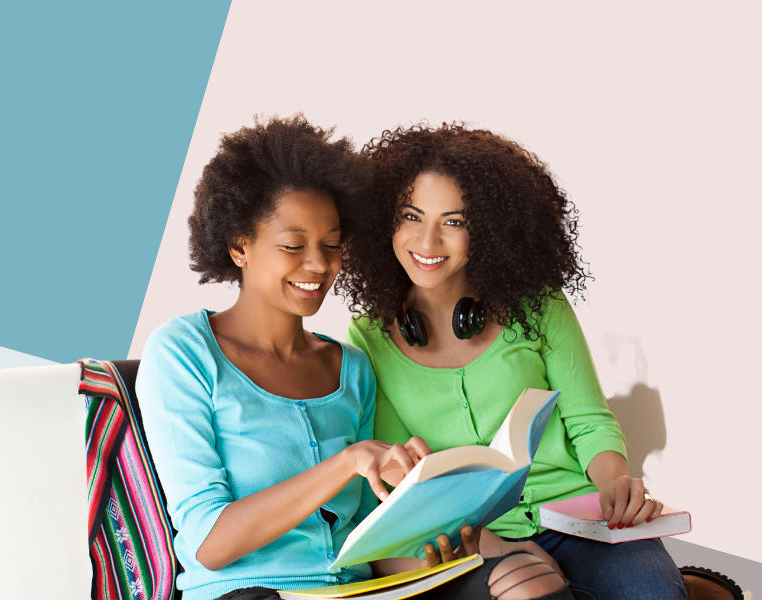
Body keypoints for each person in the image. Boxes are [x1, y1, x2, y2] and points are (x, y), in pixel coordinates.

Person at [136, 114, 571, 600]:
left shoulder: (351, 368)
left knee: (527, 583)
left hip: (359, 592)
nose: (319, 265)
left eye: (331, 244)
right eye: (293, 246)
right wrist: (345, 463)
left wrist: (443, 544)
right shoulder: (183, 353)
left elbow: (370, 532)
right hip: (253, 593)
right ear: (239, 245)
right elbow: (206, 544)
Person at [338, 122, 686, 599]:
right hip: (472, 537)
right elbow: (408, 475)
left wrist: (615, 483)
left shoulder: (539, 306)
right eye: (411, 217)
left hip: (578, 518)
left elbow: (588, 422)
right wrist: (499, 548)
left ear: (489, 228)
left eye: (454, 221)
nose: (427, 240)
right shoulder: (369, 337)